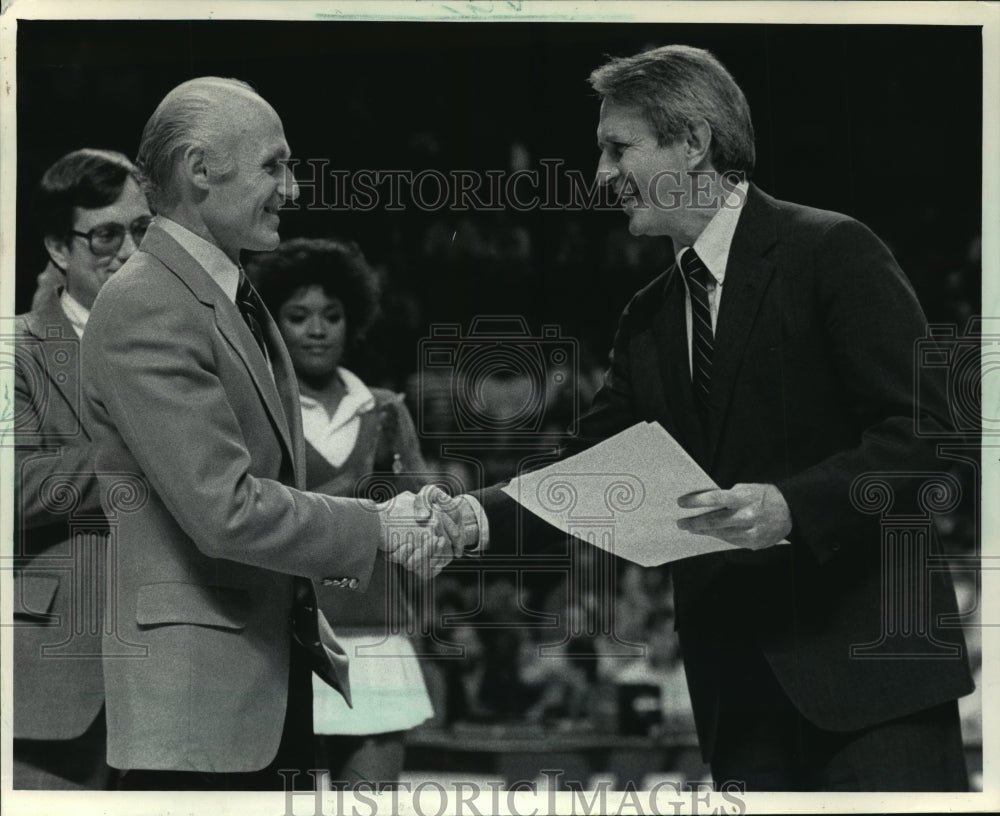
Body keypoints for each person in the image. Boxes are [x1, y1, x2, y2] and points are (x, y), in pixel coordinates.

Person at [436, 44, 974, 791]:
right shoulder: (647, 317)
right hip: (738, 703)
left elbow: (929, 437)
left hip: (873, 688)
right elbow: (594, 473)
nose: (600, 176)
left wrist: (791, 507)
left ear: (694, 143)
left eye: (617, 148)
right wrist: (473, 517)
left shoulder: (833, 250)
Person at [79, 77, 480, 791]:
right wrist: (380, 527)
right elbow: (225, 509)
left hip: (268, 679)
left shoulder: (231, 296)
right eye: (275, 165)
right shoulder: (148, 304)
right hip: (201, 704)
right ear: (201, 169)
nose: (292, 189)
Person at [250, 237, 434, 788]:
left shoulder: (384, 411)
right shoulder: (257, 409)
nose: (317, 329)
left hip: (377, 641)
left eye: (331, 315)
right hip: (283, 640)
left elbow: (423, 515)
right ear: (273, 325)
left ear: (353, 320)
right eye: (298, 315)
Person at [12, 148, 152, 790]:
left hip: (174, 675)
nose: (128, 251)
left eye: (141, 231)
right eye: (105, 234)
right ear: (58, 247)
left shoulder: (187, 346)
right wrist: (156, 456)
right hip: (56, 678)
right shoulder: (15, 349)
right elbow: (16, 489)